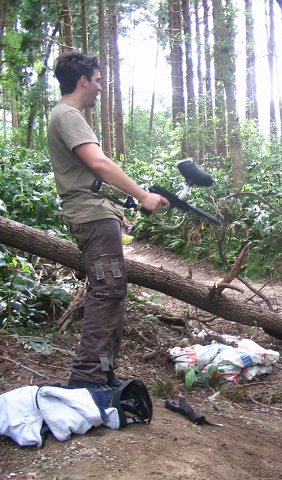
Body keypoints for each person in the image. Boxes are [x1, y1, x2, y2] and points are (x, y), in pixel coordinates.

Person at [48, 51, 168, 390]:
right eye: (98, 80)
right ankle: (87, 378)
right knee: (107, 291)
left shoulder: (65, 115)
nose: (101, 88)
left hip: (98, 216)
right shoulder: (68, 115)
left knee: (113, 292)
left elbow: (90, 177)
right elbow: (99, 164)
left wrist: (119, 212)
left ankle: (103, 373)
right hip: (91, 218)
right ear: (83, 80)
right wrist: (143, 195)